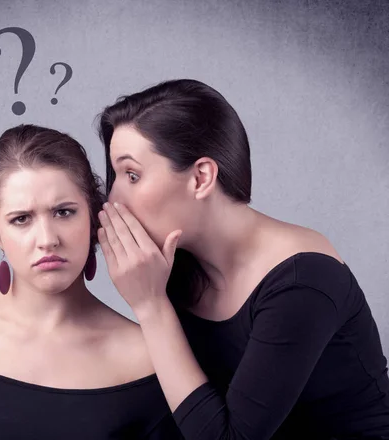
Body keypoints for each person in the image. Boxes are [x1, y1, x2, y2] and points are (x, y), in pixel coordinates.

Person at [96, 79, 389, 439]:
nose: (113, 198)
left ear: (201, 177)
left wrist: (151, 307)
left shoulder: (304, 279)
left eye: (132, 175)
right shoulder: (177, 265)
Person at [0, 124, 183, 439]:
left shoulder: (146, 358)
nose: (47, 240)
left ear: (93, 217)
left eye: (63, 212)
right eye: (21, 219)